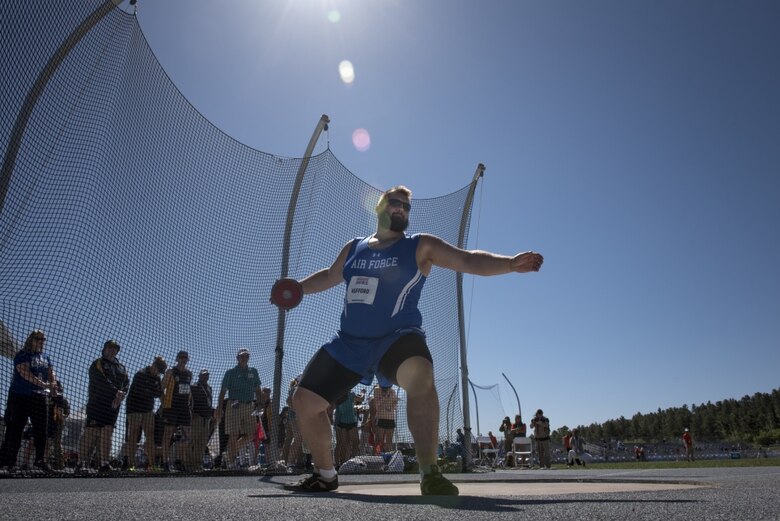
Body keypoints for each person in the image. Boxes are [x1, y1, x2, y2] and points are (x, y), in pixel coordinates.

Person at [282, 185, 544, 495]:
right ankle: (325, 475)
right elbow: (329, 275)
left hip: (396, 339)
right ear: (380, 207)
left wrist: (509, 264)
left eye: (407, 207)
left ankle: (429, 473)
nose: (402, 210)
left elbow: (469, 260)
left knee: (420, 373)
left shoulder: (420, 246)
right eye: (396, 203)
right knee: (304, 401)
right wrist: (296, 288)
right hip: (350, 343)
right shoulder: (354, 247)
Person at [0, 330, 56, 472]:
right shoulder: (22, 354)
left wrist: (53, 384)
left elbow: (50, 372)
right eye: (38, 339)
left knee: (41, 430)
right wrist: (43, 384)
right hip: (20, 396)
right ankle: (9, 462)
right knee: (16, 429)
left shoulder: (45, 357)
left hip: (39, 397)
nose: (41, 342)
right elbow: (24, 372)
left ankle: (40, 460)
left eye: (43, 339)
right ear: (31, 340)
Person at [78, 339, 129, 473]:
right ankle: (81, 462)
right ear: (104, 349)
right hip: (97, 402)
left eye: (115, 349)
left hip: (114, 404)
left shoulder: (121, 367)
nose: (112, 350)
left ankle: (104, 463)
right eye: (110, 348)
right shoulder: (98, 363)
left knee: (108, 432)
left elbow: (126, 383)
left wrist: (121, 395)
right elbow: (101, 381)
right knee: (92, 431)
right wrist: (115, 392)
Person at [215, 348, 262, 470]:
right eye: (242, 356)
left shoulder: (254, 371)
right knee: (234, 434)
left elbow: (258, 389)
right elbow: (222, 392)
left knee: (251, 435)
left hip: (250, 405)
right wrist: (219, 408)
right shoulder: (230, 372)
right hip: (234, 405)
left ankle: (229, 454)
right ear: (237, 358)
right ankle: (230, 463)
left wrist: (260, 403)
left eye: (246, 356)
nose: (244, 358)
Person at [125, 355, 167, 471]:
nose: (158, 373)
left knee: (150, 435)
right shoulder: (141, 374)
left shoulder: (157, 378)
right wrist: (157, 392)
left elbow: (159, 393)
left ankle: (152, 464)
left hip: (148, 409)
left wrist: (165, 406)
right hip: (134, 408)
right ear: (154, 366)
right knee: (133, 434)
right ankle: (131, 464)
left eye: (160, 371)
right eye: (158, 370)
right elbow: (148, 392)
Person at [160, 350, 193, 472]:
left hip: (184, 408)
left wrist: (189, 403)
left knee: (186, 435)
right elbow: (161, 388)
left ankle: (179, 461)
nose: (183, 359)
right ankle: (165, 462)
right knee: (168, 434)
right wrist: (164, 403)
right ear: (177, 359)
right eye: (181, 357)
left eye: (185, 357)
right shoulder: (171, 372)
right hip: (171, 407)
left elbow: (188, 390)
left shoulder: (189, 374)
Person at [190, 369, 214, 471]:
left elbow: (209, 403)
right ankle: (189, 464)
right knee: (192, 441)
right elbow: (189, 400)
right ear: (199, 376)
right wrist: (191, 412)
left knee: (202, 442)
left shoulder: (209, 388)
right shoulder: (194, 386)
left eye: (207, 375)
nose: (206, 377)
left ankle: (197, 464)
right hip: (197, 417)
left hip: (206, 418)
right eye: (204, 375)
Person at [46, 380, 70, 470]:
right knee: (46, 443)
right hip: (47, 422)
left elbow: (66, 413)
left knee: (57, 443)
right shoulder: (47, 397)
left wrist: (61, 415)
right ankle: (45, 462)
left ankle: (60, 464)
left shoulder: (62, 400)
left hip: (58, 423)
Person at [333, 389, 360, 467]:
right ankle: (351, 461)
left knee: (343, 444)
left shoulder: (337, 394)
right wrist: (363, 393)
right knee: (355, 442)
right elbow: (361, 399)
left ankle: (340, 463)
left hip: (340, 421)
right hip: (350, 421)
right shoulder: (351, 393)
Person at [371, 384, 398, 453]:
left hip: (391, 419)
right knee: (378, 440)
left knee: (389, 441)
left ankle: (388, 458)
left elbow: (395, 404)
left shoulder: (393, 391)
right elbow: (377, 404)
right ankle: (374, 457)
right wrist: (385, 395)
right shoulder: (377, 390)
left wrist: (392, 407)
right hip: (381, 418)